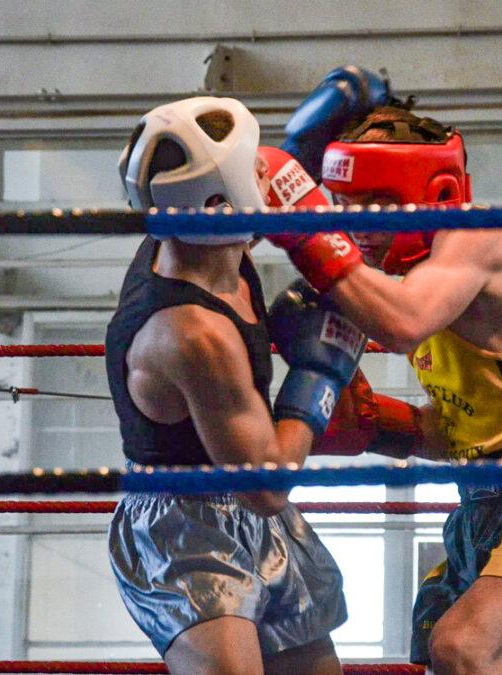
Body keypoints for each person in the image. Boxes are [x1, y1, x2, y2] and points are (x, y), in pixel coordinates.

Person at [268, 105, 502, 674]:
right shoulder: (419, 277)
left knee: (463, 647)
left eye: (379, 202)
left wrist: (309, 234)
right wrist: (375, 425)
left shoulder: (475, 237)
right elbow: (456, 430)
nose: (358, 221)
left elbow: (403, 321)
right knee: (443, 647)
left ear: (436, 192)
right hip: (483, 506)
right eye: (346, 205)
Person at [105, 96, 367, 675]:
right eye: (250, 170)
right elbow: (267, 488)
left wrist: (311, 146)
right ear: (221, 200)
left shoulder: (205, 233)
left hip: (256, 516)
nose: (264, 176)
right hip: (182, 528)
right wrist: (317, 373)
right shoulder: (193, 334)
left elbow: (263, 182)